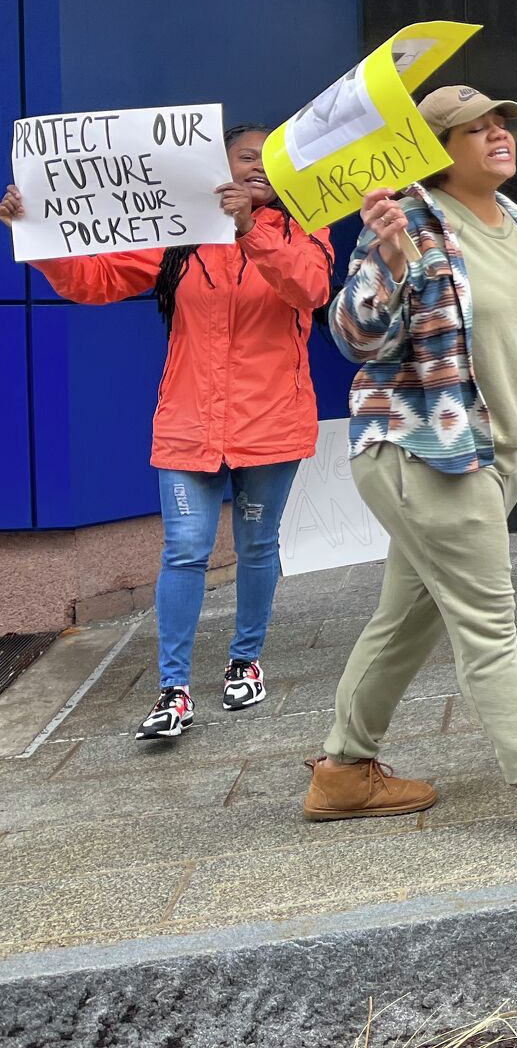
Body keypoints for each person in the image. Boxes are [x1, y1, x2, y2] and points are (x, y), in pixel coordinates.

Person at [304, 85, 517, 841]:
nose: (497, 135)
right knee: (487, 622)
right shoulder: (408, 220)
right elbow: (354, 339)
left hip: (494, 454)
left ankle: (344, 773)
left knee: (405, 621)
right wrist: (386, 262)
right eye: (473, 128)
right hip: (427, 452)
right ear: (436, 147)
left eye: (501, 123)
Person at [1, 127, 331, 742]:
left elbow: (308, 288)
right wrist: (36, 231)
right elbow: (91, 281)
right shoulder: (178, 241)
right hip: (189, 426)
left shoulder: (301, 230)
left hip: (271, 424)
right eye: (245, 156)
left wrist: (248, 231)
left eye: (270, 160)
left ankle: (245, 659)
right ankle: (173, 690)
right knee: (185, 549)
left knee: (258, 546)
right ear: (218, 166)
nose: (259, 167)